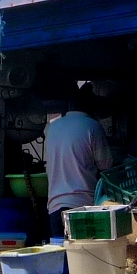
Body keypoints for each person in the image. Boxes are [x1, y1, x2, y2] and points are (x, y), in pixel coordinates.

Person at [42, 84, 114, 238]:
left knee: (61, 256)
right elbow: (106, 165)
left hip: (55, 206)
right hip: (82, 206)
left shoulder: (52, 128)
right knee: (82, 257)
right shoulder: (92, 127)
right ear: (90, 106)